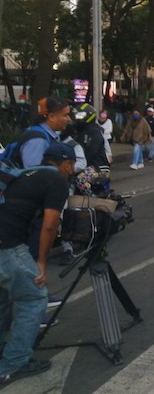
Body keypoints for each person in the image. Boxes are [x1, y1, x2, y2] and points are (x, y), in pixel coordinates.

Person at [0, 142, 74, 386]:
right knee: (33, 297)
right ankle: (14, 362)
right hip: (8, 245)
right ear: (66, 164)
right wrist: (41, 262)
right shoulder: (58, 181)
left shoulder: (27, 174)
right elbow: (50, 224)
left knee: (4, 297)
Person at [15, 95, 71, 168]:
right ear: (52, 117)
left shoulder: (45, 135)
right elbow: (34, 174)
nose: (69, 119)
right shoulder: (37, 141)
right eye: (65, 115)